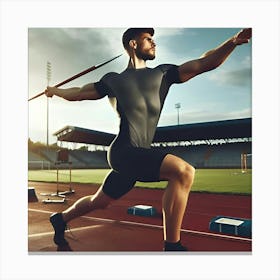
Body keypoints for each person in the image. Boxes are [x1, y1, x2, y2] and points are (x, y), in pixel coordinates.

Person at [45, 27, 252, 251]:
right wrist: (55, 91)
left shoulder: (163, 74)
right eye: (148, 39)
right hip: (123, 152)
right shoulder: (112, 80)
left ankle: (61, 219)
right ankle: (172, 247)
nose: (154, 43)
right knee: (184, 172)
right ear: (133, 44)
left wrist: (232, 42)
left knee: (100, 202)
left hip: (137, 155)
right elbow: (78, 93)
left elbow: (204, 63)